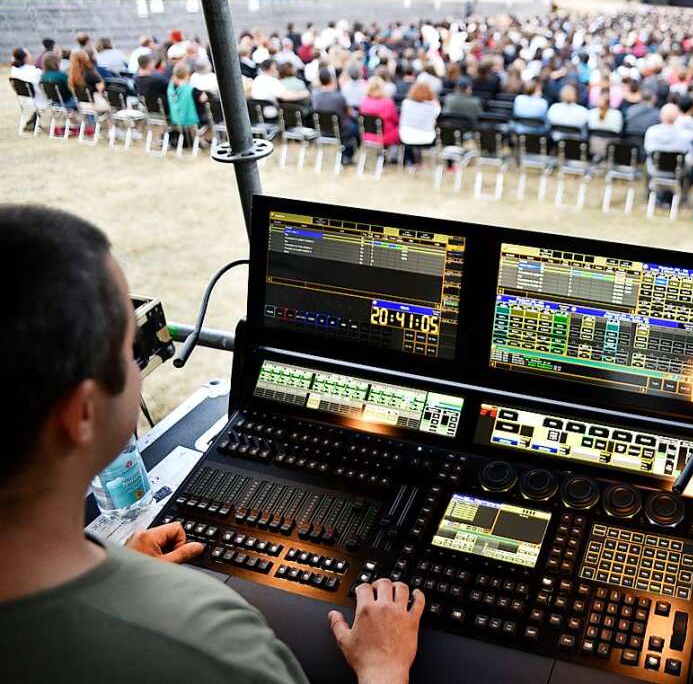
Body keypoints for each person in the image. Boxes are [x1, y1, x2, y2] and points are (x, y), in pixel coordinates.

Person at [1, 206, 425, 683]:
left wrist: (118, 568)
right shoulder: (213, 646)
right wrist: (384, 668)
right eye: (128, 348)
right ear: (81, 413)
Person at [312, 67, 356, 148]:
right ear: (331, 80)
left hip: (322, 128)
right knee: (355, 125)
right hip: (340, 129)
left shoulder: (315, 96)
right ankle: (348, 152)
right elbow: (350, 113)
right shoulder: (339, 97)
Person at [166, 61, 208, 146]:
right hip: (191, 120)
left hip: (175, 119)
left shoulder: (170, 88)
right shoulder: (192, 90)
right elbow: (204, 98)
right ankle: (207, 139)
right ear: (188, 74)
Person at [399, 81, 441, 164]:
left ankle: (411, 161)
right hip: (426, 138)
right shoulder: (434, 106)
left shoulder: (406, 103)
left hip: (406, 136)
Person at [359, 75, 400, 147]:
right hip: (384, 136)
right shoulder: (388, 103)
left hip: (367, 135)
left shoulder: (363, 102)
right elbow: (396, 120)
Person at [10, 47, 47, 126]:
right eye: (29, 54)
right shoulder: (34, 71)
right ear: (25, 57)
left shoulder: (14, 70)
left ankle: (33, 121)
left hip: (23, 99)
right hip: (37, 99)